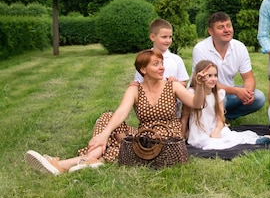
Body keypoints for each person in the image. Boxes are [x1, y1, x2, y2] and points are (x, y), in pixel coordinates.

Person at [25, 49, 205, 175]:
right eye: (156, 64)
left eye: (161, 63)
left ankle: (64, 164)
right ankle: (92, 159)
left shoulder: (171, 85)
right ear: (143, 70)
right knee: (107, 117)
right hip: (143, 135)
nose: (162, 67)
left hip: (166, 138)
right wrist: (104, 134)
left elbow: (197, 103)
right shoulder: (135, 89)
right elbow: (121, 113)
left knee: (125, 146)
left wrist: (201, 85)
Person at [190, 12, 265, 122]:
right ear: (211, 32)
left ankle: (226, 117)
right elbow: (206, 83)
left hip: (229, 94)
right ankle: (216, 118)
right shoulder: (201, 49)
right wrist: (236, 91)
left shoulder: (239, 47)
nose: (227, 30)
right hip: (206, 94)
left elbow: (248, 77)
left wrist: (247, 93)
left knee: (259, 97)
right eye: (221, 27)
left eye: (228, 26)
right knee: (217, 99)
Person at [186, 60, 264, 150]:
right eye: (209, 76)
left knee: (229, 135)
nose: (213, 79)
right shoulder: (191, 93)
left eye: (215, 75)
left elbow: (220, 119)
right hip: (200, 131)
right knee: (207, 143)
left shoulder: (218, 94)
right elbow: (185, 115)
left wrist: (217, 130)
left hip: (215, 126)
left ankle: (256, 141)